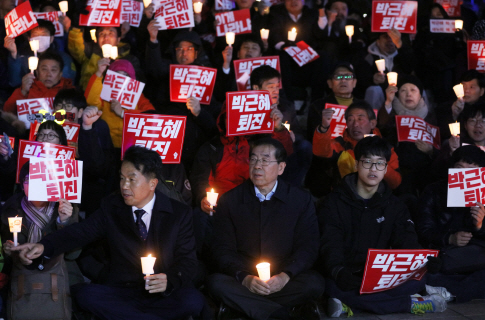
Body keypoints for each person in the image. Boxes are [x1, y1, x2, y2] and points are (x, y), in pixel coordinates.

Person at [11, 145, 205, 320]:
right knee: (85, 295)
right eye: (121, 178)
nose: (124, 186)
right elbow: (80, 232)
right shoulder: (112, 207)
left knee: (193, 301)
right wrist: (44, 245)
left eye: (131, 180)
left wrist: (169, 280)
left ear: (152, 183)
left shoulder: (179, 213)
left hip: (163, 293)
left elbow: (187, 261)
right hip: (123, 291)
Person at [318, 136, 447, 316]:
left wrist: (423, 261)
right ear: (356, 165)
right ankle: (408, 304)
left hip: (379, 275)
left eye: (379, 163)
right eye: (367, 162)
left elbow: (406, 240)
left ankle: (351, 305)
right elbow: (330, 242)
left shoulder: (394, 205)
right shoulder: (334, 202)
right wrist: (338, 270)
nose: (373, 169)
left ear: (386, 168)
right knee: (326, 285)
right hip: (346, 273)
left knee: (418, 279)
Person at [207, 138, 324, 320]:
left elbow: (309, 246)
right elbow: (222, 249)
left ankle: (246, 307)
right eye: (253, 159)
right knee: (216, 283)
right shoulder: (230, 200)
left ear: (281, 168)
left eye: (265, 160)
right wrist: (245, 278)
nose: (257, 166)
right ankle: (281, 313)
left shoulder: (300, 200)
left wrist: (285, 276)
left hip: (284, 274)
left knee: (314, 283)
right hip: (246, 275)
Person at [417, 145, 485, 303]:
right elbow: (423, 230)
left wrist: (480, 225)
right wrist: (449, 238)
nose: (464, 174)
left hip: (475, 256)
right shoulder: (434, 191)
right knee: (433, 271)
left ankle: (447, 291)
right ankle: (448, 289)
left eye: (471, 170)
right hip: (444, 254)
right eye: (459, 168)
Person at [307, 100, 401, 197]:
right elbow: (321, 151)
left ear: (372, 123)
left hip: (376, 199)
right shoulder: (340, 144)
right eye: (350, 120)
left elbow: (395, 183)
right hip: (343, 197)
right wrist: (324, 127)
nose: (355, 124)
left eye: (360, 119)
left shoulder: (386, 148)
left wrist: (378, 163)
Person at [53, 88, 114, 217]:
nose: (63, 111)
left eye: (68, 106)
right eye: (59, 106)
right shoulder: (48, 129)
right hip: (55, 187)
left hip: (87, 189)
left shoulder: (95, 127)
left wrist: (87, 128)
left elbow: (98, 168)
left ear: (80, 112)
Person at [378, 74, 437, 196]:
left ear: (420, 94)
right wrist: (388, 102)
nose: (408, 94)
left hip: (425, 172)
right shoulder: (392, 117)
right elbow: (382, 129)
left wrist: (431, 151)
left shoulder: (431, 118)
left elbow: (440, 148)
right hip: (400, 171)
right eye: (403, 90)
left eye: (413, 90)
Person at [84, 59, 155, 149]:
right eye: (117, 74)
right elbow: (91, 101)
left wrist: (123, 113)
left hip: (131, 146)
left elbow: (151, 115)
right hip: (106, 145)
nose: (122, 79)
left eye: (126, 75)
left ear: (132, 79)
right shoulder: (104, 93)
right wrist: (98, 73)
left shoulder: (138, 97)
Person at [4, 19, 76, 87]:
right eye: (35, 35)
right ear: (29, 39)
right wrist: (13, 54)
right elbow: (14, 82)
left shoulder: (64, 58)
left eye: (43, 34)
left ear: (51, 38)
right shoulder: (21, 57)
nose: (39, 38)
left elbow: (68, 82)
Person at [68, 26, 141, 89]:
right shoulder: (89, 52)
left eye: (110, 33)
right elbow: (76, 48)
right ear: (97, 39)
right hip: (88, 97)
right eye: (101, 34)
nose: (106, 37)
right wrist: (76, 28)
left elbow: (136, 84)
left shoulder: (129, 58)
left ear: (118, 39)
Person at [4, 51, 74, 114]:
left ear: (60, 74)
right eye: (44, 69)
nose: (48, 74)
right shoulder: (28, 87)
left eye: (53, 70)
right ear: (37, 72)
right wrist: (22, 92)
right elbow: (7, 111)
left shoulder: (69, 91)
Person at [307, 62, 362, 141]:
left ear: (354, 82)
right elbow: (312, 138)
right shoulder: (318, 107)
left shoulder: (364, 107)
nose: (343, 80)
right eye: (338, 77)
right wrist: (323, 126)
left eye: (348, 76)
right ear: (330, 83)